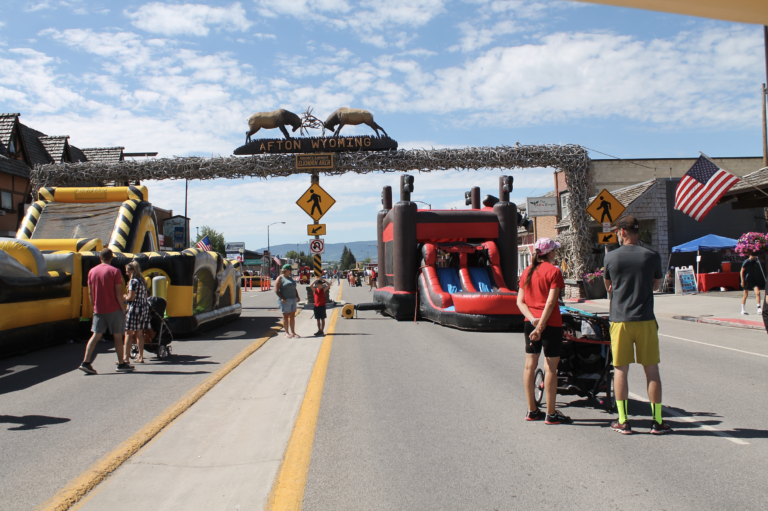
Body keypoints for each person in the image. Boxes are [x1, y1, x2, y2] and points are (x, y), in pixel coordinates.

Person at [604, 215, 671, 435]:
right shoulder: (652, 255)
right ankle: (657, 421)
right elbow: (657, 285)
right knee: (652, 370)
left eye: (617, 232)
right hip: (645, 320)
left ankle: (623, 421)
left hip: (620, 320)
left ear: (622, 232)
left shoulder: (611, 257)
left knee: (620, 370)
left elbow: (608, 287)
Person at [516, 237, 571, 425]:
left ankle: (532, 410)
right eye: (554, 250)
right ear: (550, 252)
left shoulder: (527, 272)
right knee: (550, 368)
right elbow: (551, 302)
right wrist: (541, 326)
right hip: (551, 324)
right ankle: (551, 414)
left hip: (530, 323)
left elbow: (520, 302)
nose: (556, 253)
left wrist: (533, 321)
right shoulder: (554, 271)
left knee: (529, 366)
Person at [79, 248, 132, 374]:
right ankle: (121, 363)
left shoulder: (92, 271)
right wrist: (123, 308)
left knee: (96, 335)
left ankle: (86, 362)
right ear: (111, 258)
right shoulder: (115, 271)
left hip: (99, 309)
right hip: (114, 308)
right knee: (117, 336)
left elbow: (90, 292)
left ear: (100, 258)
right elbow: (118, 292)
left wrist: (94, 307)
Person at [124, 261, 150, 363]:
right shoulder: (142, 281)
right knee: (139, 334)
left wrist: (125, 297)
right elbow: (146, 295)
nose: (126, 273)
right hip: (143, 309)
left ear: (132, 271)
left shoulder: (133, 282)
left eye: (127, 271)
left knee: (128, 334)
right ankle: (141, 357)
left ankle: (126, 358)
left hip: (134, 309)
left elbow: (131, 297)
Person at [275, 264, 299, 338]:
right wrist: (282, 298)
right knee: (286, 316)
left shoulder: (290, 278)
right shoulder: (280, 278)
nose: (290, 271)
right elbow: (276, 290)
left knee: (292, 316)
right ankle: (286, 333)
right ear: (286, 270)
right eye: (290, 270)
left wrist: (297, 296)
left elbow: (294, 288)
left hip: (293, 299)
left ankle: (293, 332)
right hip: (285, 300)